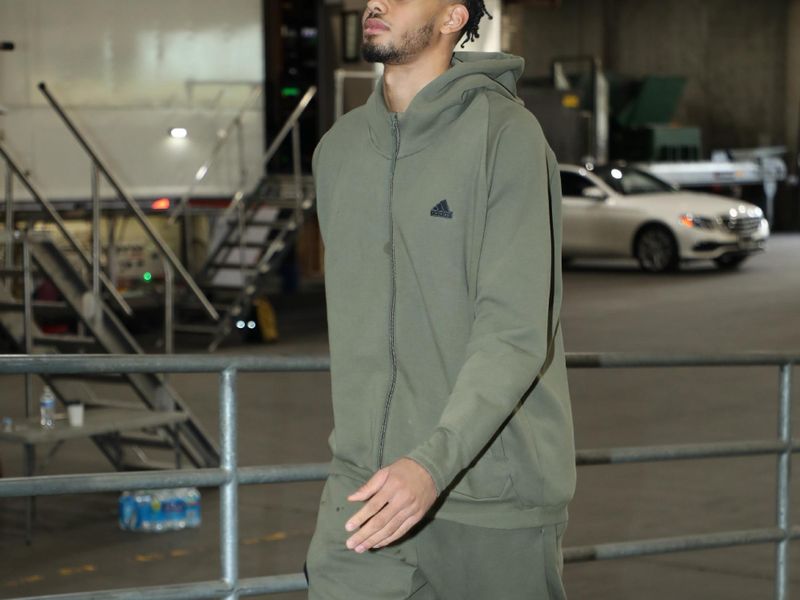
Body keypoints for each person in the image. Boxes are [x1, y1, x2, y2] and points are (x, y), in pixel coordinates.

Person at [305, 0, 576, 597]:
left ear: (454, 17)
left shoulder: (505, 136)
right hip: (364, 493)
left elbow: (514, 332)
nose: (377, 2)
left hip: (490, 497)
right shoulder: (338, 152)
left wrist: (432, 465)